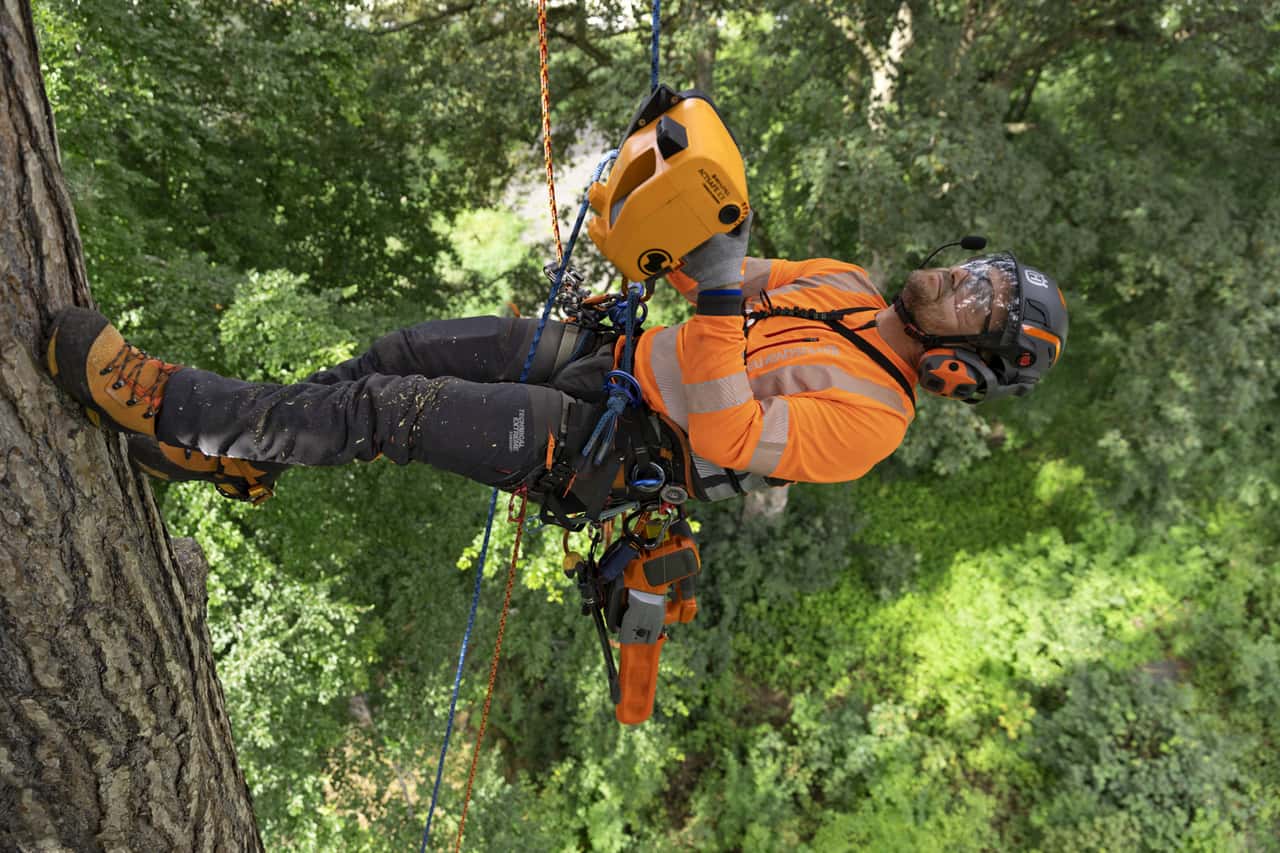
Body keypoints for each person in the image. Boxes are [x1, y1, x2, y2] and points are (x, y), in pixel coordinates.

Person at [42, 219, 1068, 517]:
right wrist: (676, 205)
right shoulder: (844, 284)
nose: (964, 279)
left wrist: (712, 291)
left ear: (961, 363)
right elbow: (724, 275)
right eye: (981, 268)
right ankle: (239, 455)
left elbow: (722, 431)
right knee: (399, 351)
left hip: (612, 445)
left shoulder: (869, 426)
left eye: (982, 298)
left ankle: (166, 400)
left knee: (382, 409)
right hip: (614, 359)